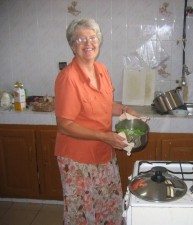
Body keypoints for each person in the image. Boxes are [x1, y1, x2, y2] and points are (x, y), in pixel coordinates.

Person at [54, 18, 139, 225]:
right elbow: (65, 124)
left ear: (99, 42)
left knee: (108, 206)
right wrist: (106, 136)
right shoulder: (68, 78)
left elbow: (104, 104)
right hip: (77, 159)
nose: (88, 43)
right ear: (72, 45)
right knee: (83, 213)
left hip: (103, 153)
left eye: (92, 37)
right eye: (80, 39)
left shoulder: (101, 69)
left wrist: (126, 111)